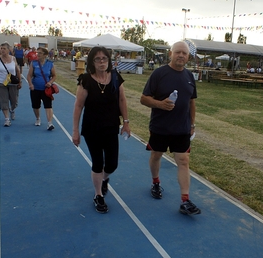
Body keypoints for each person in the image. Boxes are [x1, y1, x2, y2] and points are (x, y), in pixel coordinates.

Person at [140, 41, 200, 215]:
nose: (181, 55)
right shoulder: (159, 74)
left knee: (183, 161)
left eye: (184, 53)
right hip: (161, 127)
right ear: (170, 54)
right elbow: (144, 98)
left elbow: (191, 102)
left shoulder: (189, 76)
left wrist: (192, 123)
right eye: (178, 52)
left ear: (188, 57)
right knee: (156, 155)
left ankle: (185, 200)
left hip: (182, 129)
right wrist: (160, 104)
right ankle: (156, 182)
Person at [72, 46, 131, 214]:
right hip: (92, 129)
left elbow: (122, 99)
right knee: (98, 163)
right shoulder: (86, 80)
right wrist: (75, 131)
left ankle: (104, 179)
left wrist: (126, 122)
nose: (101, 61)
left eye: (104, 58)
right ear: (92, 62)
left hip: (111, 127)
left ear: (109, 60)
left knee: (112, 164)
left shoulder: (115, 78)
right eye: (97, 59)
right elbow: (78, 106)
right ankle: (98, 195)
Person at [0, 42, 22, 126]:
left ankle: (12, 109)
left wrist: (20, 81)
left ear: (8, 50)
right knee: (4, 101)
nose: (2, 50)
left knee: (14, 101)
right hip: (1, 83)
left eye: (4, 49)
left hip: (13, 83)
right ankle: (7, 119)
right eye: (1, 48)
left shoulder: (13, 58)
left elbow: (17, 71)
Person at [26, 47, 57, 130]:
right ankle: (37, 118)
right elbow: (29, 75)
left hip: (46, 89)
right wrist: (30, 84)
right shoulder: (34, 63)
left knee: (48, 106)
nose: (37, 54)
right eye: (37, 53)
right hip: (35, 88)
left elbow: (54, 75)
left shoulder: (50, 64)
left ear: (45, 55)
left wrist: (50, 82)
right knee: (35, 106)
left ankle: (50, 123)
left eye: (40, 53)